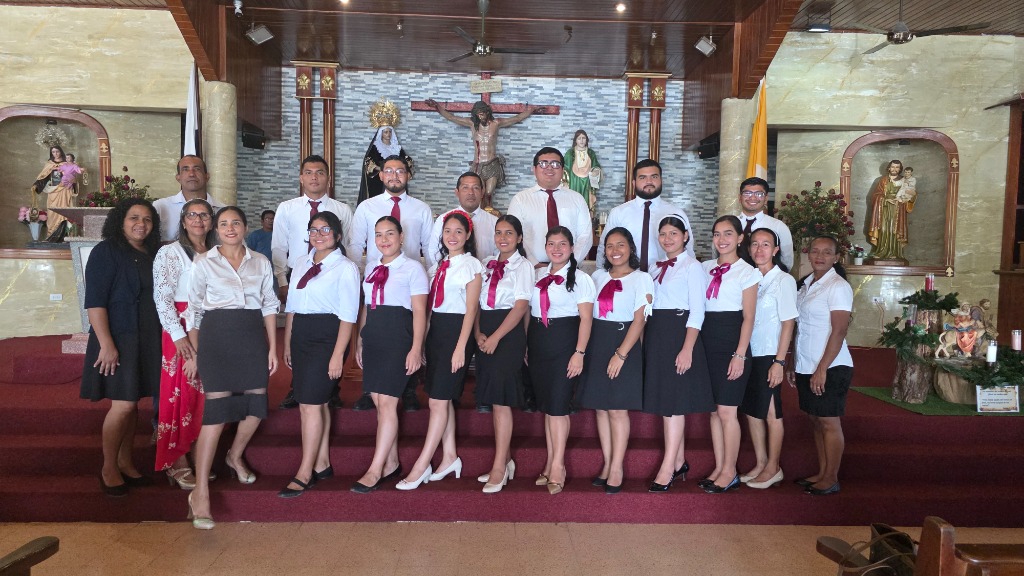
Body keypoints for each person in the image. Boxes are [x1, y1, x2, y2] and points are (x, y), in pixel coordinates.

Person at [183, 206, 280, 529]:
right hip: (215, 338)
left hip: (252, 334)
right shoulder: (203, 262)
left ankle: (234, 454)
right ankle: (201, 491)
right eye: (223, 223)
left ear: (245, 227)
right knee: (216, 412)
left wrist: (272, 347)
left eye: (235, 223)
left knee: (257, 403)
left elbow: (269, 304)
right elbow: (193, 311)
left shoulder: (261, 261)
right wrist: (196, 353)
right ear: (216, 229)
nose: (229, 228)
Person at [80, 198, 163, 497]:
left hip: (148, 337)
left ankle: (126, 462)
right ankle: (108, 467)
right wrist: (106, 344)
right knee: (123, 404)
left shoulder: (153, 253)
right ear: (121, 220)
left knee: (134, 403)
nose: (141, 224)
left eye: (147, 219)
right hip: (118, 337)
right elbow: (95, 302)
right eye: (133, 218)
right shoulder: (107, 251)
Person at [398, 211, 483, 490]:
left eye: (459, 231)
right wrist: (422, 344)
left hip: (457, 332)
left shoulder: (472, 265)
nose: (453, 236)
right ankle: (449, 457)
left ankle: (422, 464)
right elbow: (429, 310)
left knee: (437, 401)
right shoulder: (437, 267)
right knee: (441, 399)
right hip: (437, 334)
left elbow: (471, 310)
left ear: (468, 235)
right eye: (448, 231)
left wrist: (461, 348)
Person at [279, 211, 360, 498]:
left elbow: (348, 316)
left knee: (309, 404)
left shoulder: (345, 268)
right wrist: (287, 342)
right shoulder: (302, 262)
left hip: (327, 336)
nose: (318, 234)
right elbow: (292, 307)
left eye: (325, 229)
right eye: (313, 230)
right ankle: (322, 462)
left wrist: (339, 355)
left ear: (337, 235)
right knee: (318, 402)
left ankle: (305, 471)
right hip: (301, 334)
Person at [349, 154, 434, 412]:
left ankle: (407, 389)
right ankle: (369, 389)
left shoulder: (421, 209)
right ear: (382, 175)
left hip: (409, 280)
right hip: (376, 279)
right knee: (373, 332)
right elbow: (355, 244)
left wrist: (428, 278)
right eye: (389, 171)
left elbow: (429, 248)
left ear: (408, 175)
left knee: (405, 334)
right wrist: (358, 277)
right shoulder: (367, 207)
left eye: (400, 171)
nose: (395, 175)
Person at [351, 216, 429, 493]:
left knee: (387, 404)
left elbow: (420, 311)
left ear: (401, 237)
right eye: (379, 235)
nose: (384, 240)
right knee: (380, 402)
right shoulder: (371, 266)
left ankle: (375, 469)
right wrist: (361, 340)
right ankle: (392, 462)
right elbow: (366, 307)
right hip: (374, 337)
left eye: (390, 234)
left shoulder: (413, 268)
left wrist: (416, 348)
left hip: (398, 337)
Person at [272, 155, 354, 410]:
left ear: (328, 178)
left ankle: (332, 387)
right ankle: (297, 388)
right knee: (300, 336)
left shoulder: (342, 210)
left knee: (334, 328)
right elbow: (278, 247)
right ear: (301, 178)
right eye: (309, 172)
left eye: (320, 172)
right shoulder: (287, 208)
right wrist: (283, 280)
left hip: (332, 273)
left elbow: (347, 245)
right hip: (300, 273)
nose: (314, 177)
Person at [579, 227, 653, 494]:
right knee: (601, 407)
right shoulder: (596, 276)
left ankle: (618, 467)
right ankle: (608, 462)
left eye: (620, 245)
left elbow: (640, 319)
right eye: (609, 246)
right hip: (598, 342)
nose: (615, 251)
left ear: (630, 248)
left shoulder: (641, 278)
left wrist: (621, 354)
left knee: (618, 409)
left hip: (624, 344)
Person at [643, 215, 714, 492]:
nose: (668, 238)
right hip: (657, 334)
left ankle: (667, 467)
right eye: (663, 234)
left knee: (673, 404)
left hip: (679, 334)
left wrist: (687, 348)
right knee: (667, 401)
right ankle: (680, 459)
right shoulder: (654, 266)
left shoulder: (693, 266)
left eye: (674, 233)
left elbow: (698, 310)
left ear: (686, 236)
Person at [152, 198, 215, 489]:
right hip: (179, 330)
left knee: (206, 394)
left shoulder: (217, 252)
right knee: (181, 393)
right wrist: (178, 337)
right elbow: (162, 298)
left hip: (210, 329)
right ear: (183, 219)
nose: (199, 220)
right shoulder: (170, 252)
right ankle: (176, 459)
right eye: (193, 215)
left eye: (204, 215)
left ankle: (199, 456)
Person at [528, 226, 596, 495]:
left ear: (571, 248)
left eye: (562, 244)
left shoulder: (581, 279)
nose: (557, 249)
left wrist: (579, 353)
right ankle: (548, 462)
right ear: (545, 247)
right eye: (552, 244)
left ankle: (559, 466)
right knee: (548, 407)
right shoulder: (537, 275)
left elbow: (587, 319)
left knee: (558, 407)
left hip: (564, 343)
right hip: (538, 343)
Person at [699, 215, 761, 494]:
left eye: (727, 234)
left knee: (727, 410)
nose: (721, 240)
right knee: (714, 411)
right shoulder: (704, 268)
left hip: (732, 343)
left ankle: (730, 470)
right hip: (707, 342)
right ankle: (720, 466)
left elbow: (748, 318)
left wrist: (740, 354)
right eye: (716, 234)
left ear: (739, 238)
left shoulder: (748, 272)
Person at [789, 235, 854, 496]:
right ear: (808, 254)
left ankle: (831, 477)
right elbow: (800, 327)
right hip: (807, 362)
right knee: (815, 420)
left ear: (836, 257)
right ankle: (822, 471)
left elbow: (838, 331)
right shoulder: (805, 284)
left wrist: (822, 369)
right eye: (815, 251)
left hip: (831, 366)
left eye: (827, 252)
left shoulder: (837, 286)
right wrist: (794, 361)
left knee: (829, 421)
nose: (820, 256)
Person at [474, 215, 533, 493]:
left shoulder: (524, 266)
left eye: (509, 233)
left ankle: (499, 466)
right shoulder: (485, 263)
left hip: (507, 335)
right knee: (494, 399)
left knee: (501, 400)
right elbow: (474, 301)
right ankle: (505, 460)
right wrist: (478, 333)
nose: (503, 238)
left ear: (519, 238)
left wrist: (496, 337)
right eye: (499, 233)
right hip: (485, 331)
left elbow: (521, 306)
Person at [738, 228, 797, 490]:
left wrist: (779, 361)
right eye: (755, 244)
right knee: (752, 412)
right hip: (749, 352)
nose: (759, 249)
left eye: (766, 245)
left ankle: (774, 466)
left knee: (772, 412)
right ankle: (761, 463)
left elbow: (788, 323)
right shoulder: (747, 278)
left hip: (770, 354)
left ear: (775, 250)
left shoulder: (783, 280)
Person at [424, 98, 541, 210]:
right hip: (478, 165)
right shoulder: (471, 124)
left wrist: (531, 110)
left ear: (487, 112)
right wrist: (437, 107)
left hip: (492, 164)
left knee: (489, 193)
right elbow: (451, 117)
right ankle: (479, 213)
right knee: (479, 193)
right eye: (478, 114)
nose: (481, 116)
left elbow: (516, 118)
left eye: (483, 113)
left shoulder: (496, 123)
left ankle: (489, 213)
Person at [598, 159, 695, 272]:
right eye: (642, 177)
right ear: (634, 183)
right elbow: (604, 248)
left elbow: (688, 249)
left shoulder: (676, 213)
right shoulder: (618, 213)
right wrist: (602, 275)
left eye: (654, 177)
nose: (649, 181)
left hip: (666, 280)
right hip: (628, 279)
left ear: (661, 180)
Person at [508, 147, 593, 267]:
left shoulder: (577, 199)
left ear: (563, 169)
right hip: (530, 268)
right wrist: (534, 263)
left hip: (569, 269)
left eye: (555, 164)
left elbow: (585, 236)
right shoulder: (520, 200)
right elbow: (514, 235)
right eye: (543, 163)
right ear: (534, 169)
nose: (549, 168)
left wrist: (569, 263)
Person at [426, 171, 498, 268]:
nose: (470, 192)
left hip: (485, 277)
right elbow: (434, 251)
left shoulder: (494, 222)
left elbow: (498, 254)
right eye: (465, 188)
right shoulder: (443, 219)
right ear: (457, 192)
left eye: (475, 188)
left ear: (482, 192)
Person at [153, 156, 225, 242]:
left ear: (207, 176)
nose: (191, 174)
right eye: (185, 169)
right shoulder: (160, 207)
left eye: (197, 169)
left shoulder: (223, 210)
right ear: (178, 177)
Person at [734, 176, 794, 271]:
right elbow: (717, 253)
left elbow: (786, 261)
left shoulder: (778, 226)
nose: (753, 197)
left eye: (759, 194)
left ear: (766, 198)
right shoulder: (730, 224)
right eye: (747, 193)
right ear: (739, 197)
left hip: (767, 282)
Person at [867, 159, 914, 262]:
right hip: (884, 209)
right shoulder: (883, 180)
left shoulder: (904, 180)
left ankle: (895, 253)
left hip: (898, 209)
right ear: (889, 168)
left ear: (900, 169)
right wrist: (885, 199)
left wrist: (908, 197)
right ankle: (881, 251)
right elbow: (875, 196)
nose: (894, 169)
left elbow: (911, 193)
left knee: (895, 231)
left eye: (897, 167)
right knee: (883, 230)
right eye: (893, 167)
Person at [31, 145, 77, 242]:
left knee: (64, 212)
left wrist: (71, 180)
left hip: (64, 190)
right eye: (53, 152)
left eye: (57, 151)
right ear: (51, 153)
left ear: (61, 152)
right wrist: (36, 185)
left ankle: (65, 236)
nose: (55, 154)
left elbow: (73, 177)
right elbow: (43, 177)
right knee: (52, 213)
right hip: (52, 192)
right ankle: (51, 235)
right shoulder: (49, 164)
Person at [357, 125, 414, 204]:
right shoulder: (375, 147)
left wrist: (406, 166)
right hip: (378, 181)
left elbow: (405, 161)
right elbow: (368, 163)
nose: (388, 134)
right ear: (381, 133)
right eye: (385, 132)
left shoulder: (396, 148)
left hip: (396, 178)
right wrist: (382, 169)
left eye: (390, 132)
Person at [563, 129, 602, 219]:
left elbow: (596, 165)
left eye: (583, 138)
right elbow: (564, 168)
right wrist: (564, 179)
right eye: (579, 138)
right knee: (574, 202)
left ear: (587, 140)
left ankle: (587, 218)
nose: (581, 140)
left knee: (586, 203)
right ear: (575, 140)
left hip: (587, 181)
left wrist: (596, 171)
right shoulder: (570, 153)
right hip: (574, 181)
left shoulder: (591, 153)